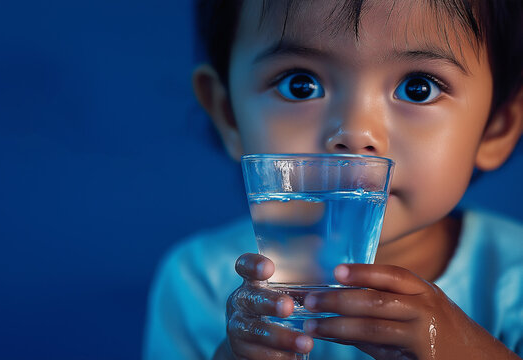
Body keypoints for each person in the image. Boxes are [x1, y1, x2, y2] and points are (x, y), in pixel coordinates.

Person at [144, 0, 523, 359]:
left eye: (418, 88)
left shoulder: (514, 281)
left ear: (496, 128)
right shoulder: (201, 283)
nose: (356, 133)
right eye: (300, 84)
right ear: (228, 116)